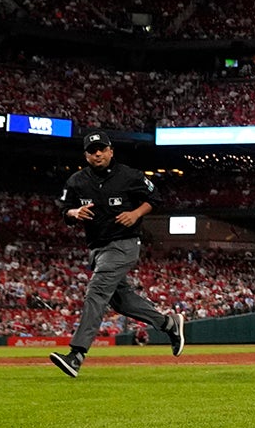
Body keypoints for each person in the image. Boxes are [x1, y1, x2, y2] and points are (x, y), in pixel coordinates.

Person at [48, 130, 185, 378]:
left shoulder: (129, 175)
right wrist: (74, 213)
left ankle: (76, 354)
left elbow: (155, 198)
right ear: (86, 155)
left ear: (111, 151)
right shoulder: (77, 181)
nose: (97, 153)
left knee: (97, 291)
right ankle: (168, 323)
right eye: (92, 150)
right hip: (97, 248)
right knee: (121, 301)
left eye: (101, 148)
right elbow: (63, 208)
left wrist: (136, 213)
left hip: (124, 244)